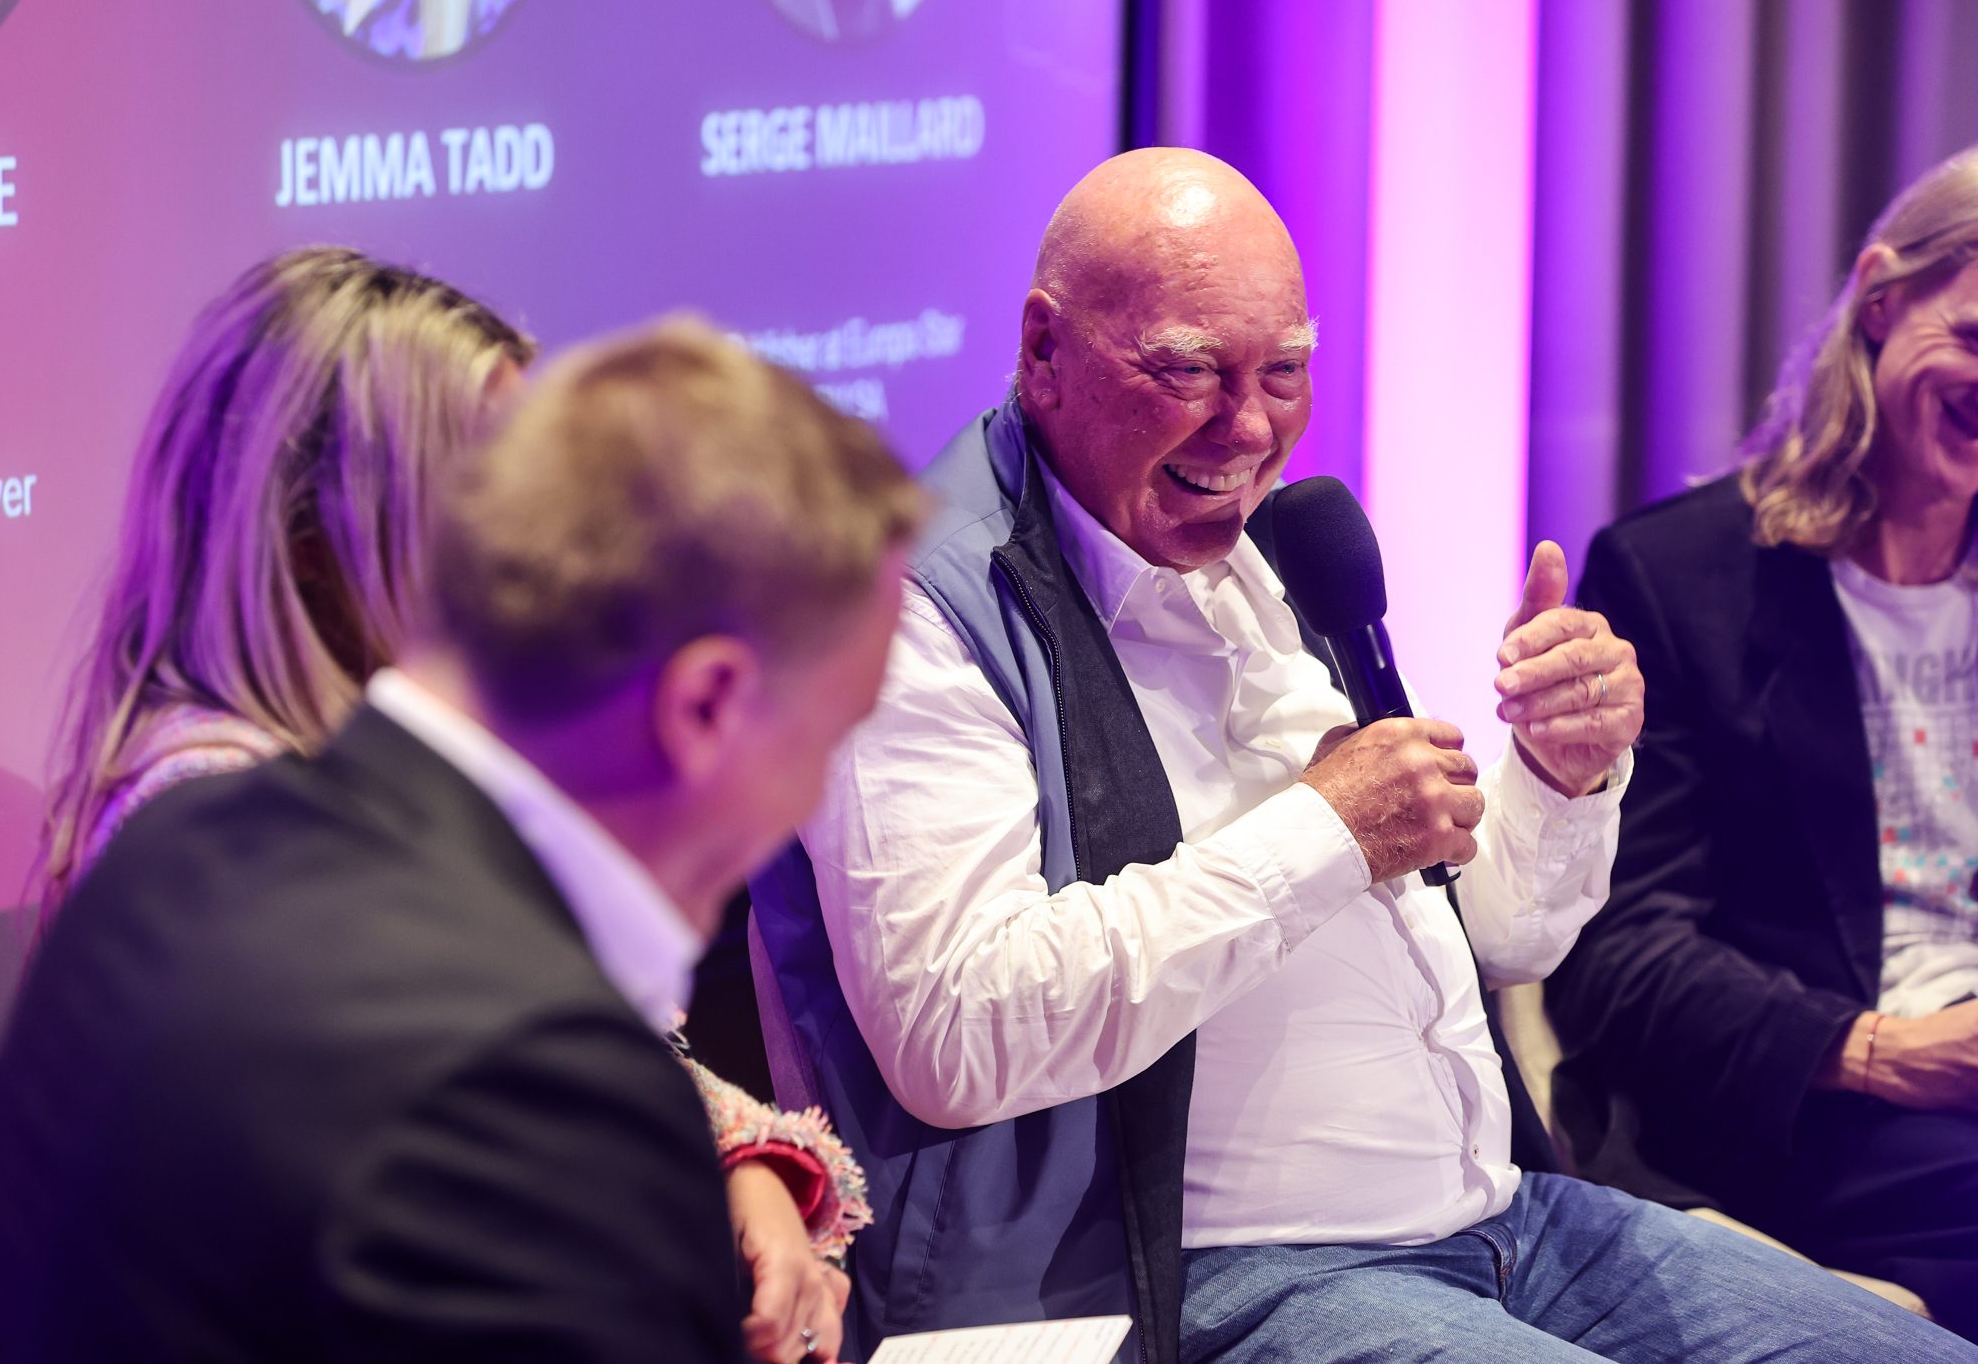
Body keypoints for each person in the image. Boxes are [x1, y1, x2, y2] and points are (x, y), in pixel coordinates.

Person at [749, 146, 1977, 1363]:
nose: (1246, 427)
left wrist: (1560, 777)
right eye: (1186, 370)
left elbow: (1497, 934)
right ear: (1042, 350)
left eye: (1283, 371)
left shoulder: (1270, 548)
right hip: (1219, 1271)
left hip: (1512, 1216)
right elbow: (956, 1039)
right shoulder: (914, 607)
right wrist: (1326, 828)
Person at [0, 312, 923, 1360]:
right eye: (828, 734)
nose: (813, 795)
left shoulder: (171, 846)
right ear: (705, 705)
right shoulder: (535, 1083)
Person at [1546, 148, 1978, 1339]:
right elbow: (1614, 958)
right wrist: (1884, 1052)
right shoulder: (1673, 578)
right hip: (1810, 1101)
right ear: (1879, 300)